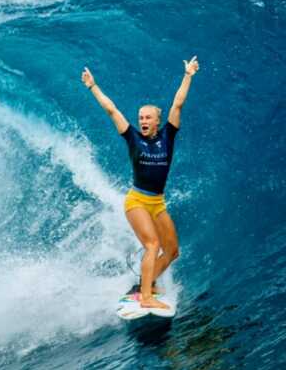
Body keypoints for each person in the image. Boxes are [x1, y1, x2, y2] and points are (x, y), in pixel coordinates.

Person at [81, 57, 199, 310]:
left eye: (148, 118)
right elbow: (112, 110)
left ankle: (147, 282)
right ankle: (146, 297)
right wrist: (93, 86)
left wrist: (188, 75)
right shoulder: (132, 137)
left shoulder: (168, 135)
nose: (143, 121)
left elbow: (178, 104)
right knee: (152, 245)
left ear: (157, 121)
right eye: (140, 117)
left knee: (172, 251)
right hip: (137, 200)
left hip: (157, 203)